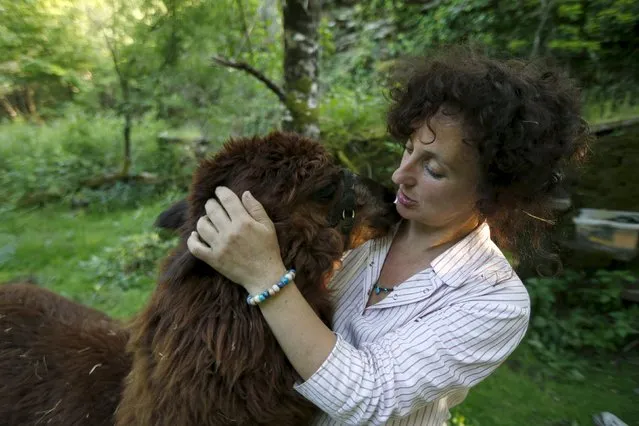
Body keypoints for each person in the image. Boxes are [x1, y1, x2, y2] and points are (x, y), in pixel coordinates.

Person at [187, 47, 590, 425]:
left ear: (494, 194)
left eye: (433, 169)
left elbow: (370, 396)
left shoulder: (494, 301)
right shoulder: (367, 229)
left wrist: (266, 277)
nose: (400, 175)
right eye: (409, 149)